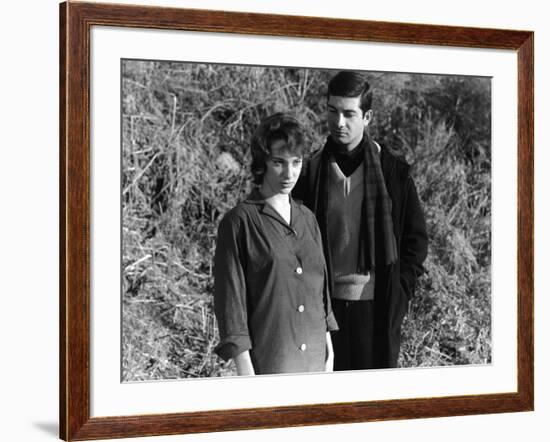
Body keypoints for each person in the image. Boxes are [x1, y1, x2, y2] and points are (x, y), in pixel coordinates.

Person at [293, 71, 428, 370]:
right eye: (332, 111)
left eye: (349, 113)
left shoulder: (393, 173)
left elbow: (415, 242)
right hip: (322, 310)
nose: (339, 122)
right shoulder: (309, 172)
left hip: (377, 309)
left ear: (367, 117)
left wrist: (401, 293)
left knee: (372, 406)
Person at [213, 112, 338, 375]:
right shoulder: (238, 223)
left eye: (296, 162)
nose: (289, 173)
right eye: (278, 162)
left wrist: (329, 349)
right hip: (271, 360)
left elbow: (320, 292)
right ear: (262, 163)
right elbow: (231, 307)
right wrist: (247, 372)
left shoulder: (308, 219)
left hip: (317, 359)